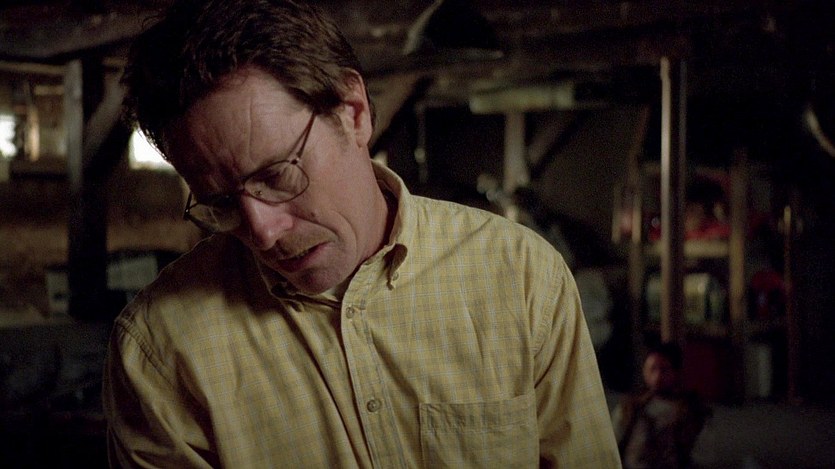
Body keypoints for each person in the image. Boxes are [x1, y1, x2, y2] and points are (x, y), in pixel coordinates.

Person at [102, 0, 621, 467]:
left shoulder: (522, 276)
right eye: (221, 204)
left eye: (278, 175)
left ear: (353, 112)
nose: (262, 231)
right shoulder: (160, 353)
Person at [611, 341, 710, 468]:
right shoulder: (630, 406)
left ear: (676, 372)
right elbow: (612, 444)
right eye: (652, 369)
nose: (657, 376)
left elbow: (702, 458)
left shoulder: (693, 411)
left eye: (664, 370)